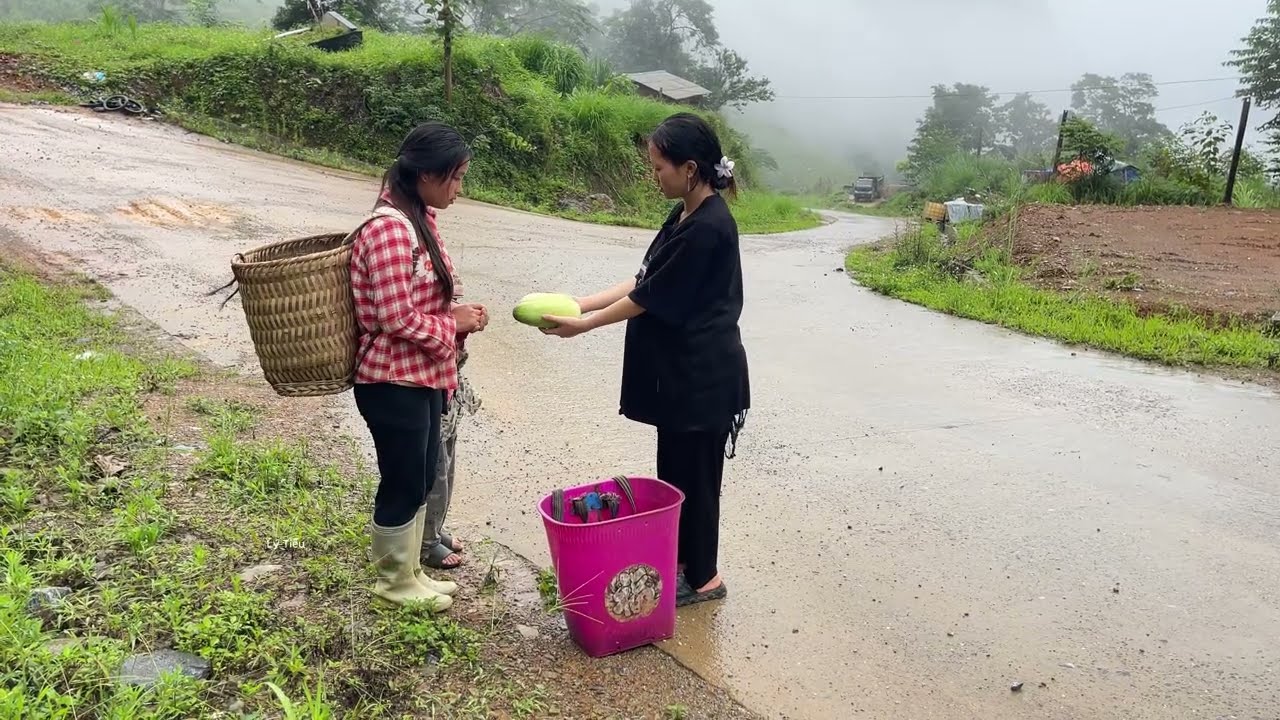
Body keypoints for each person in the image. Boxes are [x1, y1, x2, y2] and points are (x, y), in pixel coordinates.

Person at [542, 113, 749, 607]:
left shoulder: (710, 227)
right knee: (675, 478)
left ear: (691, 168)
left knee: (698, 484)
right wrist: (581, 303)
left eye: (659, 167)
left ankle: (704, 580)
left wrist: (585, 326)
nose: (653, 175)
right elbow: (643, 279)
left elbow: (651, 297)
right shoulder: (684, 214)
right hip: (681, 381)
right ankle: (680, 566)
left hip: (704, 381)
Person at [349, 121, 488, 611]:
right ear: (426, 174)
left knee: (421, 472)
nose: (458, 188)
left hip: (421, 375)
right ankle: (392, 582)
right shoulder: (389, 228)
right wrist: (452, 324)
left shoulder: (417, 217)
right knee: (403, 477)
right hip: (391, 378)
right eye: (455, 177)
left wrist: (454, 322)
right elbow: (394, 315)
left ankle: (408, 571)